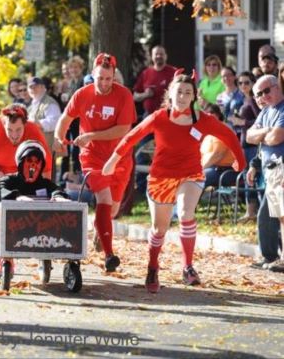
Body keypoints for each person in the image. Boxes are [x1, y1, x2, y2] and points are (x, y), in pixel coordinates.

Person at [102, 70, 245, 293]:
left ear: (193, 96)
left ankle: (187, 266)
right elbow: (132, 136)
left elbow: (228, 135)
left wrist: (240, 162)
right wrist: (113, 160)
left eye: (188, 93)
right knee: (159, 229)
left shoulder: (202, 120)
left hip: (191, 175)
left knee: (186, 213)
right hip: (161, 177)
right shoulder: (159, 117)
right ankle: (153, 266)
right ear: (171, 94)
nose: (183, 96)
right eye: (179, 92)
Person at [53, 53, 137, 272]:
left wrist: (91, 135)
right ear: (93, 74)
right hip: (92, 156)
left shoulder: (124, 95)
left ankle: (100, 229)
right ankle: (110, 255)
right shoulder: (82, 94)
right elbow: (65, 119)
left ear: (114, 78)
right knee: (104, 198)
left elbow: (123, 129)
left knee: (112, 210)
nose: (104, 83)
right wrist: (59, 139)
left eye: (108, 79)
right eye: (100, 78)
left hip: (119, 156)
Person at [0, 140, 69, 276]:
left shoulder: (44, 184)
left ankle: (44, 260)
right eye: (29, 160)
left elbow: (57, 190)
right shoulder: (11, 180)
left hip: (39, 232)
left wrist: (58, 196)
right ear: (21, 163)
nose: (33, 165)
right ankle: (5, 262)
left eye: (37, 161)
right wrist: (16, 196)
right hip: (14, 229)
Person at [246, 75, 284, 273]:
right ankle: (269, 256)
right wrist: (267, 131)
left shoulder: (283, 108)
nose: (263, 97)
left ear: (277, 87)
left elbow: (277, 138)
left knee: (281, 215)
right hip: (269, 169)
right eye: (258, 94)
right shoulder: (265, 113)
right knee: (267, 216)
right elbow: (249, 136)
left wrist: (266, 135)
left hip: (281, 168)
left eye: (266, 91)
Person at [133, 45, 176, 193]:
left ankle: (168, 186)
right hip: (149, 117)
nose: (158, 57)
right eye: (156, 54)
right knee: (143, 152)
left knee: (168, 152)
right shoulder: (146, 73)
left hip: (168, 119)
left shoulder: (173, 72)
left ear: (166, 56)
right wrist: (145, 95)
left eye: (161, 54)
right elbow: (135, 95)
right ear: (152, 57)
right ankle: (141, 189)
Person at [0, 104, 52, 188]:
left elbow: (46, 166)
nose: (14, 135)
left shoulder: (33, 130)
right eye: (9, 130)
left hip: (23, 171)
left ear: (25, 125)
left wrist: (45, 190)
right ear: (4, 125)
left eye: (18, 130)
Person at [228, 71, 261, 222]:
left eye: (247, 82)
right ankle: (251, 211)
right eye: (240, 83)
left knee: (252, 177)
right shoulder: (245, 99)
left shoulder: (253, 100)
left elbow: (260, 121)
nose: (243, 86)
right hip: (244, 142)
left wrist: (242, 122)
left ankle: (253, 212)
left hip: (252, 144)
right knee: (248, 177)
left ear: (253, 83)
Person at [201, 104, 240, 188]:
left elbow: (217, 155)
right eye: (206, 114)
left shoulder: (223, 130)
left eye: (212, 113)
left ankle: (189, 200)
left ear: (218, 115)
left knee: (196, 178)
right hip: (212, 168)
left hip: (225, 171)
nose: (209, 115)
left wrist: (200, 169)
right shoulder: (209, 132)